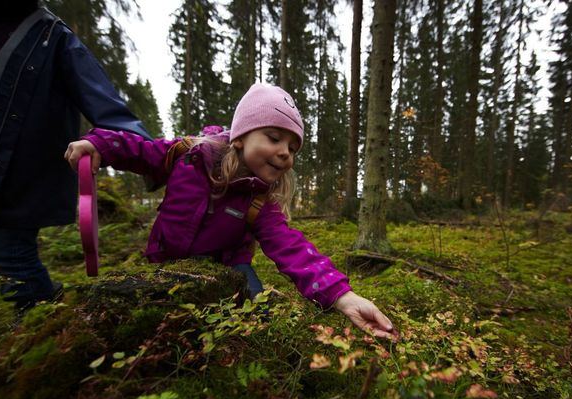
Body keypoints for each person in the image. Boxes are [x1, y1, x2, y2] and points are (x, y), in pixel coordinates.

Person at [65, 83, 396, 339]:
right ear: (240, 136)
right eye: (274, 137)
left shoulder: (260, 202)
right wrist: (99, 145)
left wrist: (342, 296)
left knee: (256, 319)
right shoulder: (189, 156)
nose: (285, 154)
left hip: (230, 268)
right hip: (166, 262)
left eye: (293, 148)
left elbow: (291, 247)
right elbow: (139, 150)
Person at [0, 1, 151, 314]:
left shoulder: (53, 38)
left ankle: (42, 325)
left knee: (10, 255)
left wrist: (123, 148)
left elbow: (112, 112)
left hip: (15, 184)